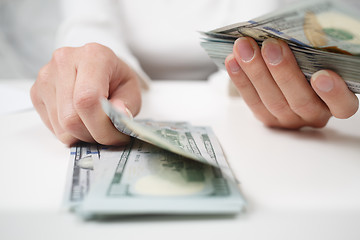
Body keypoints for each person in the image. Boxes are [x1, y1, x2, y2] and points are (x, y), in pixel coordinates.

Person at [30, 0, 359, 146]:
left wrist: (248, 86)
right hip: (132, 98)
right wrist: (88, 62)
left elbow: (266, 34)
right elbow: (88, 23)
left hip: (244, 116)